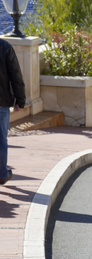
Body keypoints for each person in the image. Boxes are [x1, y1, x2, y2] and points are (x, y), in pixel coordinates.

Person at [0, 39, 25, 186]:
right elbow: (15, 74)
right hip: (1, 103)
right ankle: (2, 174)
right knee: (1, 139)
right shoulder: (4, 47)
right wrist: (20, 99)